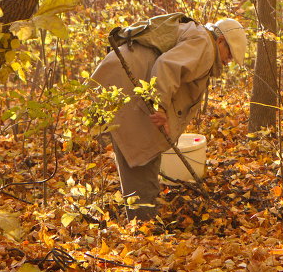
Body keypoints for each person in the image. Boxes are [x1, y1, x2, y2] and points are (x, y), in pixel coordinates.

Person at [91, 16, 247, 220]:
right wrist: (161, 107)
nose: (229, 61)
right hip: (128, 84)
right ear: (220, 41)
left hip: (123, 81)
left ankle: (139, 222)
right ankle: (143, 227)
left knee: (139, 155)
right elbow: (167, 66)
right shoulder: (204, 45)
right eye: (229, 53)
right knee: (143, 155)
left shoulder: (201, 39)